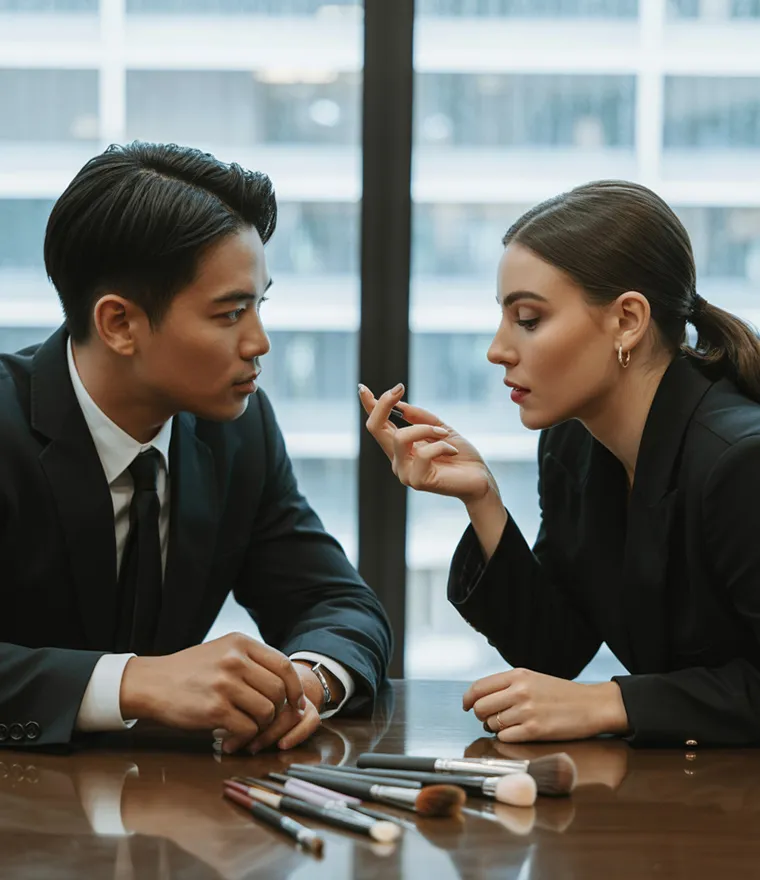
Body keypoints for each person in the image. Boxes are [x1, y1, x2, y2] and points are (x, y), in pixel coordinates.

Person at [0, 141, 391, 754]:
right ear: (119, 324)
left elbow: (335, 600)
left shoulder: (237, 427)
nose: (260, 342)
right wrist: (133, 684)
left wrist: (302, 686)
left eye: (260, 305)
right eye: (231, 313)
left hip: (174, 815)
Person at [361, 179, 760, 747]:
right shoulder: (574, 446)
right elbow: (555, 651)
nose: (497, 349)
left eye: (527, 319)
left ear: (627, 320)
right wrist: (483, 499)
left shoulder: (740, 463)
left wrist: (612, 701)